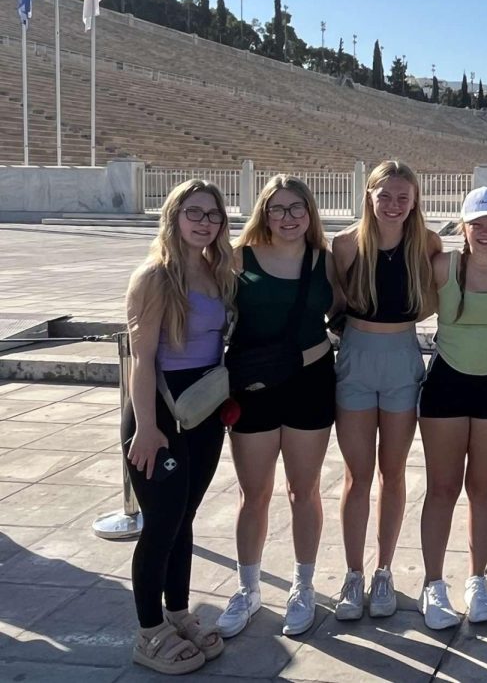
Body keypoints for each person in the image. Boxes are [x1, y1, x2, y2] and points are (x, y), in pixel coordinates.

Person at [216, 176, 340, 639]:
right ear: (263, 213)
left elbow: (346, 310)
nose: (288, 218)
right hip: (253, 387)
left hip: (310, 382)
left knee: (303, 491)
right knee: (254, 493)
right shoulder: (237, 258)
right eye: (277, 209)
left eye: (297, 209)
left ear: (310, 213)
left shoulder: (325, 263)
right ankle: (247, 589)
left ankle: (302, 586)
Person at [123, 179, 236, 674]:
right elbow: (141, 361)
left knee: (184, 519)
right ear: (174, 216)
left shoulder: (218, 272)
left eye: (213, 214)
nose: (204, 222)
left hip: (205, 408)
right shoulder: (153, 276)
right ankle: (148, 632)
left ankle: (178, 612)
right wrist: (146, 428)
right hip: (161, 410)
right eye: (195, 212)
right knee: (161, 523)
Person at [330, 160, 442, 621]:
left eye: (403, 196)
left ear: (414, 200)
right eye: (385, 196)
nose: (393, 205)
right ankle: (353, 575)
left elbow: (435, 299)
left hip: (401, 358)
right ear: (369, 197)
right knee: (357, 475)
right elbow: (334, 305)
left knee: (392, 473)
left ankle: (384, 573)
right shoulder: (344, 246)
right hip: (356, 356)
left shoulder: (427, 245)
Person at [417, 187, 487, 630]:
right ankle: (432, 583)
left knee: (483, 489)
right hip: (447, 385)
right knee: (442, 489)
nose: (485, 231)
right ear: (463, 227)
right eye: (477, 223)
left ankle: (477, 580)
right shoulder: (443, 265)